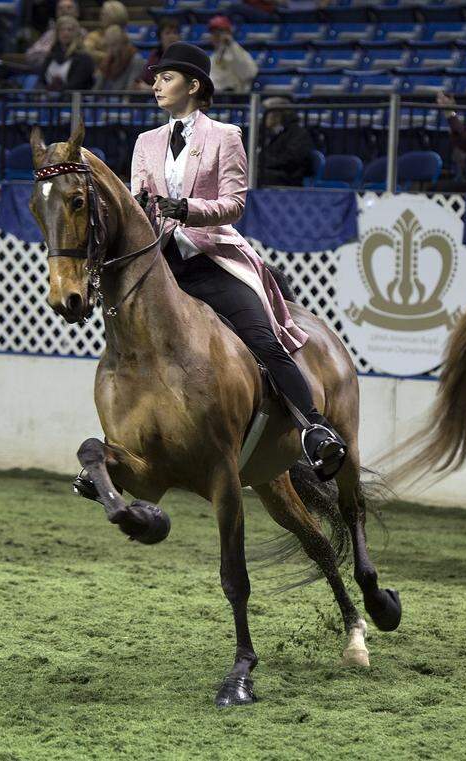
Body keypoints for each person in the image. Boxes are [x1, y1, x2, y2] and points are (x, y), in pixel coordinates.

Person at [130, 42, 346, 478]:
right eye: (155, 78)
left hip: (211, 260)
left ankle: (315, 429)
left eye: (165, 78)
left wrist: (187, 208)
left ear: (194, 86)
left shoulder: (225, 136)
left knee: (263, 338)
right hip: (163, 265)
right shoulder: (144, 142)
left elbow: (234, 204)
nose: (155, 84)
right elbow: (138, 201)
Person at [258, 96, 314, 187]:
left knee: (257, 176)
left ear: (278, 114)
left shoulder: (298, 134)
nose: (263, 116)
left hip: (289, 177)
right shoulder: (264, 132)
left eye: (267, 112)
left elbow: (291, 160)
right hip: (270, 170)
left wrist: (264, 162)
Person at [36, 16, 94, 92]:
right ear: (57, 33)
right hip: (48, 100)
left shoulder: (84, 58)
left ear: (76, 33)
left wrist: (54, 93)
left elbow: (76, 84)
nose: (65, 32)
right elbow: (41, 81)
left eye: (70, 30)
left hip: (74, 101)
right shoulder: (50, 55)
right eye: (62, 30)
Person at [207, 15, 257, 94]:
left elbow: (249, 74)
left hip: (235, 98)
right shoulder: (212, 57)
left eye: (220, 32)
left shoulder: (240, 53)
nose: (217, 36)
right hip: (216, 97)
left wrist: (230, 44)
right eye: (214, 33)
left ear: (229, 32)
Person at [93, 25, 145, 91]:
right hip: (107, 98)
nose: (110, 50)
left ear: (123, 43)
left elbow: (131, 89)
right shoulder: (108, 61)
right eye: (108, 46)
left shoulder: (136, 60)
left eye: (114, 45)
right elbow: (97, 88)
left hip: (124, 98)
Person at [136, 18, 180, 89]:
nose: (172, 36)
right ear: (160, 37)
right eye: (167, 33)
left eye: (175, 33)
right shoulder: (155, 55)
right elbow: (145, 80)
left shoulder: (183, 57)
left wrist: (150, 89)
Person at [83, 0, 127, 66]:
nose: (100, 17)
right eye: (101, 14)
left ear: (115, 15)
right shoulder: (93, 36)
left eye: (104, 14)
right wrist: (109, 57)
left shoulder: (124, 37)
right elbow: (86, 52)